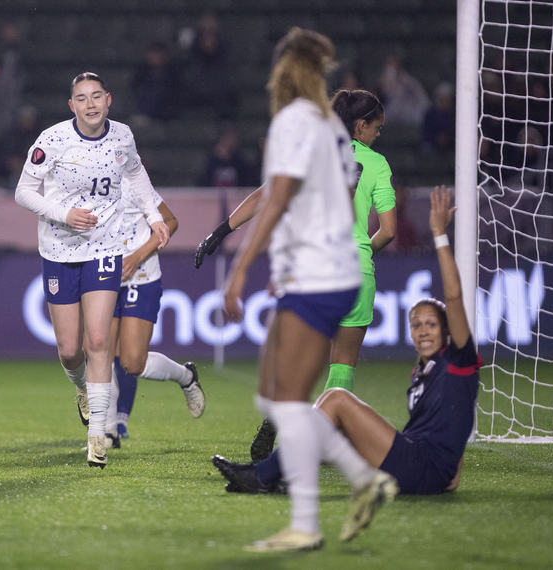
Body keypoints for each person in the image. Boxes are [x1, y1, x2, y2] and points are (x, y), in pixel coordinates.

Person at [221, 28, 397, 553]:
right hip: (336, 273)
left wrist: (241, 268)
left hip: (318, 276)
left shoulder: (294, 123)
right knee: (274, 395)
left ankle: (307, 523)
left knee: (288, 401)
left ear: (284, 73)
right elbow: (343, 204)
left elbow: (275, 201)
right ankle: (361, 479)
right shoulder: (335, 133)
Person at [213, 186, 481, 503]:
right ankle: (275, 474)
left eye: (431, 324)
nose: (422, 331)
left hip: (420, 466)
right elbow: (453, 423)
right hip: (416, 458)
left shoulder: (460, 360)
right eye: (416, 325)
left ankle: (266, 474)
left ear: (448, 330)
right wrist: (456, 468)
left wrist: (439, 235)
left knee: (337, 399)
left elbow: (453, 297)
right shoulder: (422, 372)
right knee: (332, 406)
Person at [198, 89, 398, 460]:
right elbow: (388, 230)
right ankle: (324, 439)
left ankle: (281, 420)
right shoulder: (378, 164)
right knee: (342, 367)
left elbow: (266, 196)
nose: (378, 134)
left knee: (300, 361)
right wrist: (364, 249)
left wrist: (221, 231)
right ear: (361, 125)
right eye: (376, 127)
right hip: (357, 272)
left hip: (316, 268)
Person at [14, 72, 169, 468]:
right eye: (81, 99)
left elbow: (135, 172)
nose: (90, 104)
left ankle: (97, 435)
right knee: (70, 351)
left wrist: (154, 216)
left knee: (99, 341)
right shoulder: (51, 140)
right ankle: (82, 388)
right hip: (59, 251)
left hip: (105, 249)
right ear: (72, 106)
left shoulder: (123, 136)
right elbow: (23, 191)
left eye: (96, 96)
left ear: (108, 100)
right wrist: (64, 213)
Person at [102, 181, 205, 447]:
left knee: (132, 364)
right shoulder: (86, 181)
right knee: (99, 353)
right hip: (102, 277)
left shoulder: (132, 183)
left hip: (141, 276)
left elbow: (170, 221)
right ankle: (108, 432)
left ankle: (186, 376)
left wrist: (137, 256)